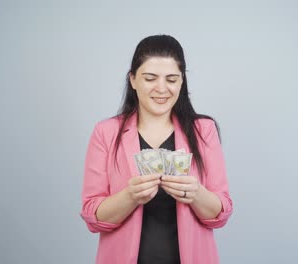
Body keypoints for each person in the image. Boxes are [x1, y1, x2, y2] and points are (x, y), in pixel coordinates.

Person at [80, 34, 233, 264]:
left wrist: (196, 194)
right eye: (150, 78)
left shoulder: (204, 130)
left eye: (171, 79)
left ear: (182, 82)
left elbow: (221, 213)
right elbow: (92, 215)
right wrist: (130, 196)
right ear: (132, 79)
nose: (161, 89)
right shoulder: (106, 132)